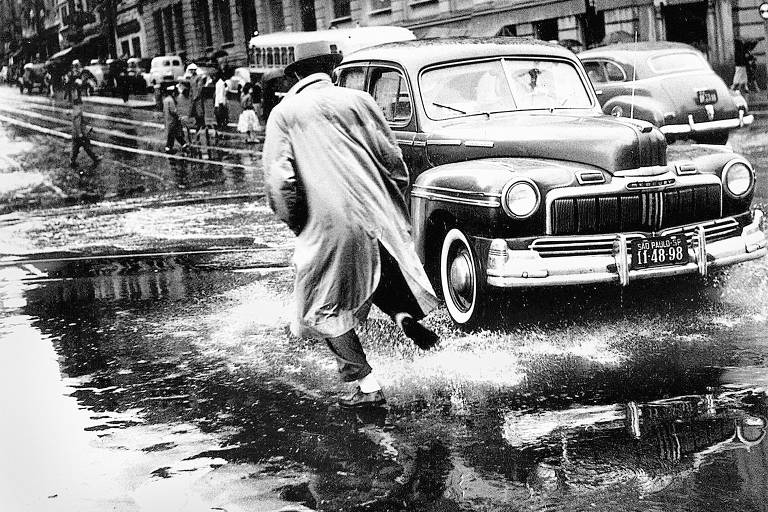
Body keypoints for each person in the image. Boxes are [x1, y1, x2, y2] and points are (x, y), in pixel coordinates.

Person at [263, 41, 440, 409]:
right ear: (330, 69)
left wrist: (301, 224)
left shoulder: (285, 113)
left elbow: (281, 182)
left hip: (328, 222)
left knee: (321, 305)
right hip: (378, 212)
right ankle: (403, 315)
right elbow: (394, 162)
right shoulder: (361, 101)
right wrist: (392, 209)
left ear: (294, 75)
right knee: (378, 272)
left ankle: (366, 383)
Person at [64, 60, 99, 168]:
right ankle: (94, 158)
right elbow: (77, 120)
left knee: (76, 146)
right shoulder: (76, 105)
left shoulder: (75, 100)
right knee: (84, 143)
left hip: (77, 132)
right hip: (79, 132)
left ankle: (72, 161)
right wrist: (80, 132)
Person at [163, 84, 188, 153]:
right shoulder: (171, 100)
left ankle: (183, 144)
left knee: (176, 133)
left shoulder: (166, 100)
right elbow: (173, 111)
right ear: (172, 92)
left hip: (168, 120)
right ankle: (168, 147)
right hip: (172, 121)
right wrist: (178, 117)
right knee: (173, 134)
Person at [187, 63, 206, 130]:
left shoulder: (199, 77)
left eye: (192, 70)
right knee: (194, 111)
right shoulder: (192, 78)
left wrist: (196, 95)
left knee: (199, 111)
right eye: (190, 70)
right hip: (193, 97)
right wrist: (191, 95)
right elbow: (191, 88)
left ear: (195, 70)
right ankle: (197, 122)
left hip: (198, 98)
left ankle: (202, 124)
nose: (191, 71)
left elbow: (199, 87)